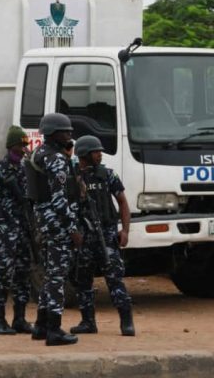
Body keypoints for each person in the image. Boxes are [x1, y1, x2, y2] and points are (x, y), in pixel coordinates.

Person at [24, 113, 82, 346]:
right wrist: (73, 229)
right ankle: (54, 330)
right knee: (57, 277)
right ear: (53, 133)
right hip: (57, 223)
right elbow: (59, 199)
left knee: (50, 275)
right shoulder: (56, 158)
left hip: (42, 219)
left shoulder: (38, 153)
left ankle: (40, 326)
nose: (69, 135)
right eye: (65, 131)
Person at [69, 135, 135, 336]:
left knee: (114, 279)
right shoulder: (73, 177)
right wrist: (74, 232)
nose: (100, 154)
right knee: (83, 281)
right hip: (84, 237)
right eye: (95, 151)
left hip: (105, 234)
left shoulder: (108, 175)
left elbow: (122, 202)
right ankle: (88, 322)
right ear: (84, 154)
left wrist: (125, 230)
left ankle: (126, 322)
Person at [0, 126, 34, 335]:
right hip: (7, 231)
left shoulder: (25, 168)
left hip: (23, 230)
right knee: (3, 275)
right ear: (10, 146)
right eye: (19, 145)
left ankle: (20, 319)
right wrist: (4, 227)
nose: (23, 149)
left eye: (25, 145)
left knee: (24, 274)